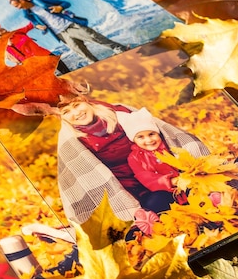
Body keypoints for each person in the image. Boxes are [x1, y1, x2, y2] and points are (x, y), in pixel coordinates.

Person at [56, 95, 211, 227]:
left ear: (86, 101)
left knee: (193, 191)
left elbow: (159, 135)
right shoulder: (74, 142)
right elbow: (88, 177)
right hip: (129, 187)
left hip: (156, 167)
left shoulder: (120, 114)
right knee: (155, 207)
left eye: (77, 105)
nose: (76, 113)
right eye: (66, 112)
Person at [9, 0, 127, 64]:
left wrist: (60, 7)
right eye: (15, 7)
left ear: (22, 0)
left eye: (17, 4)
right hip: (60, 34)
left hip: (70, 25)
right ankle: (96, 65)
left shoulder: (41, 1)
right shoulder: (28, 14)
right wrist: (38, 26)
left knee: (94, 37)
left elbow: (66, 3)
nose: (18, 7)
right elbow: (35, 23)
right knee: (80, 51)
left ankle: (121, 49)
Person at [122, 108, 188, 205]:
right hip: (165, 190)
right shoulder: (134, 158)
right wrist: (170, 181)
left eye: (151, 134)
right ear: (133, 139)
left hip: (186, 182)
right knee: (154, 202)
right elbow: (146, 178)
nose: (149, 140)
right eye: (141, 137)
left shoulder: (168, 146)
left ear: (158, 133)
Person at [0, 22, 71, 74]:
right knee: (51, 79)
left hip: (44, 54)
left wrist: (36, 21)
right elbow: (18, 59)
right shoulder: (6, 47)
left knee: (64, 69)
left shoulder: (17, 32)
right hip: (34, 64)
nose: (0, 28)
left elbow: (30, 25)